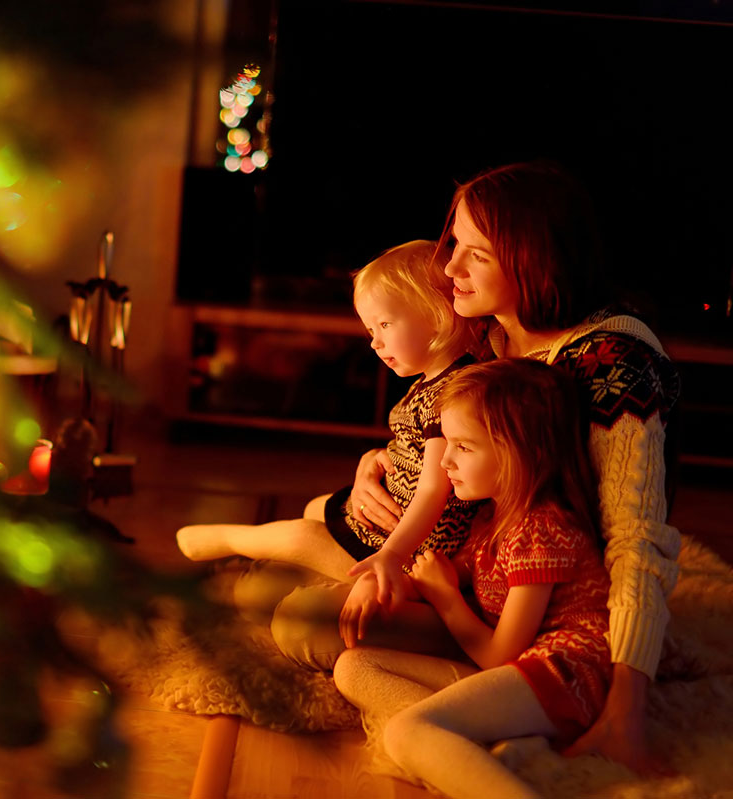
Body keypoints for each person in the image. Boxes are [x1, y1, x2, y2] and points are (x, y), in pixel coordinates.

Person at [324, 161, 681, 772]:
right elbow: (427, 432)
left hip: (548, 608)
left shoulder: (612, 362)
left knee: (313, 626)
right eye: (454, 243)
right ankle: (486, 724)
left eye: (475, 255)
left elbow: (636, 539)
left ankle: (491, 721)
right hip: (473, 574)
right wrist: (371, 467)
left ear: (532, 259)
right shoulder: (483, 335)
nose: (450, 268)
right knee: (300, 611)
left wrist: (626, 704)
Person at [334, 358, 610, 799]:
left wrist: (446, 599)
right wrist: (386, 580)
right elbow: (446, 573)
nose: (443, 460)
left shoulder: (541, 529)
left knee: (405, 733)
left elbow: (500, 655)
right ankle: (483, 737)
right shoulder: (492, 515)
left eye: (463, 446)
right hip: (523, 672)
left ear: (523, 452)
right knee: (354, 667)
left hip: (563, 678)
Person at [175, 240, 485, 614]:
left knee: (301, 537)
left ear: (436, 315)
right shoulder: (434, 380)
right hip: (387, 522)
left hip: (408, 547)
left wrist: (391, 554)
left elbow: (435, 488)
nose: (375, 342)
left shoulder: (455, 393)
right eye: (371, 329)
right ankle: (267, 570)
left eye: (385, 324)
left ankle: (231, 540)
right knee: (315, 507)